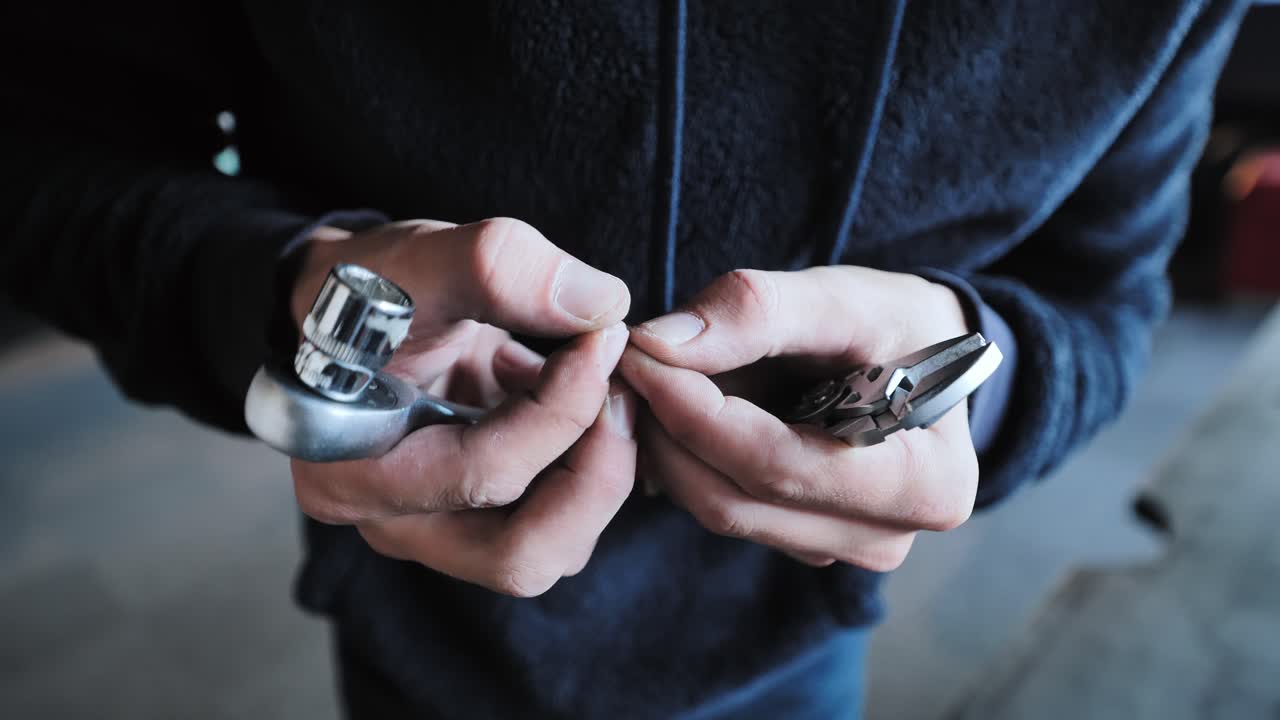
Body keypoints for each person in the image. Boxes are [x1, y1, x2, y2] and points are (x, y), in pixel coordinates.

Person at [0, 1, 1250, 717]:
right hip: (412, 627)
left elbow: (1102, 287)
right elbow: (49, 150)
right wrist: (286, 311)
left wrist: (978, 392)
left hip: (798, 640)